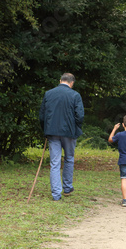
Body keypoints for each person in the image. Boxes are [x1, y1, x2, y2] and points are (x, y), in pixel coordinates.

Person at [39, 73, 84, 201]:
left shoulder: (49, 94)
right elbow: (80, 116)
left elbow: (42, 116)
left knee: (55, 162)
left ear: (60, 81)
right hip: (69, 132)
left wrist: (46, 130)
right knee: (69, 158)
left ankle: (56, 194)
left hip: (52, 132)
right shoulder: (75, 95)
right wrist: (76, 128)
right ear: (72, 82)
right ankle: (67, 187)